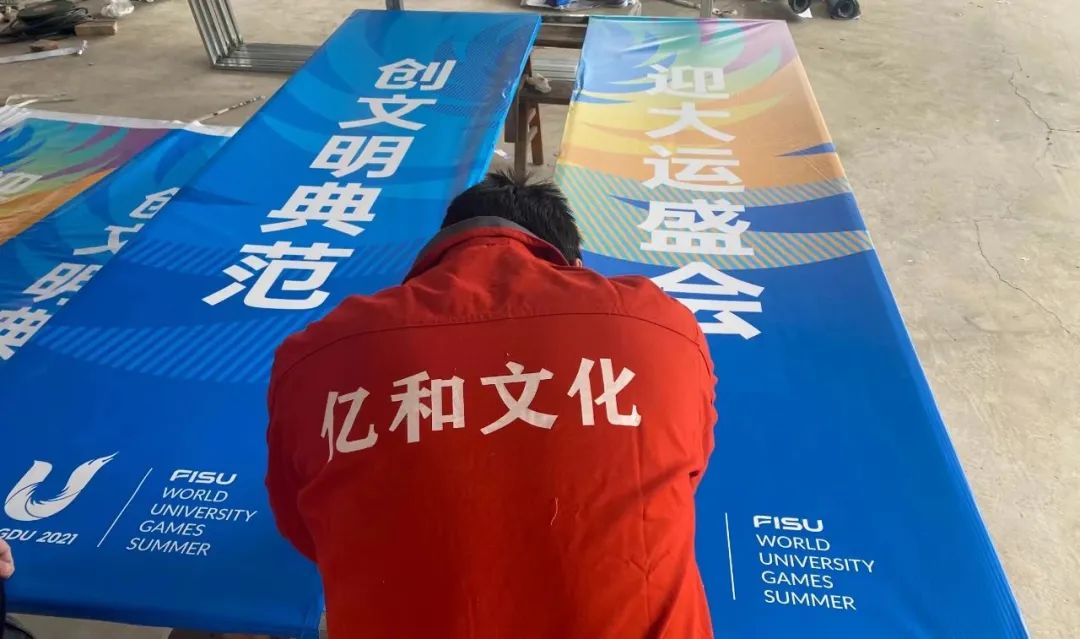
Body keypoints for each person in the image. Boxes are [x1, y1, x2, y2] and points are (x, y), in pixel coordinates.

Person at [266, 171, 718, 638]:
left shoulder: (315, 355)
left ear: (436, 256)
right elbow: (689, 467)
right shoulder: (660, 327)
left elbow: (305, 527)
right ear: (574, 263)